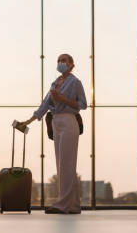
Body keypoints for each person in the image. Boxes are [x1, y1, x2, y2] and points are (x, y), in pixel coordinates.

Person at [19, 53, 87, 214]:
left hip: (69, 121)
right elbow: (45, 105)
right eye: (59, 60)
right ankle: (73, 205)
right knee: (61, 164)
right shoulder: (54, 83)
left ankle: (63, 204)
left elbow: (82, 105)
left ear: (72, 65)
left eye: (64, 60)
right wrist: (28, 121)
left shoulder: (75, 82)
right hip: (56, 122)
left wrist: (62, 99)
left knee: (66, 164)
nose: (61, 63)